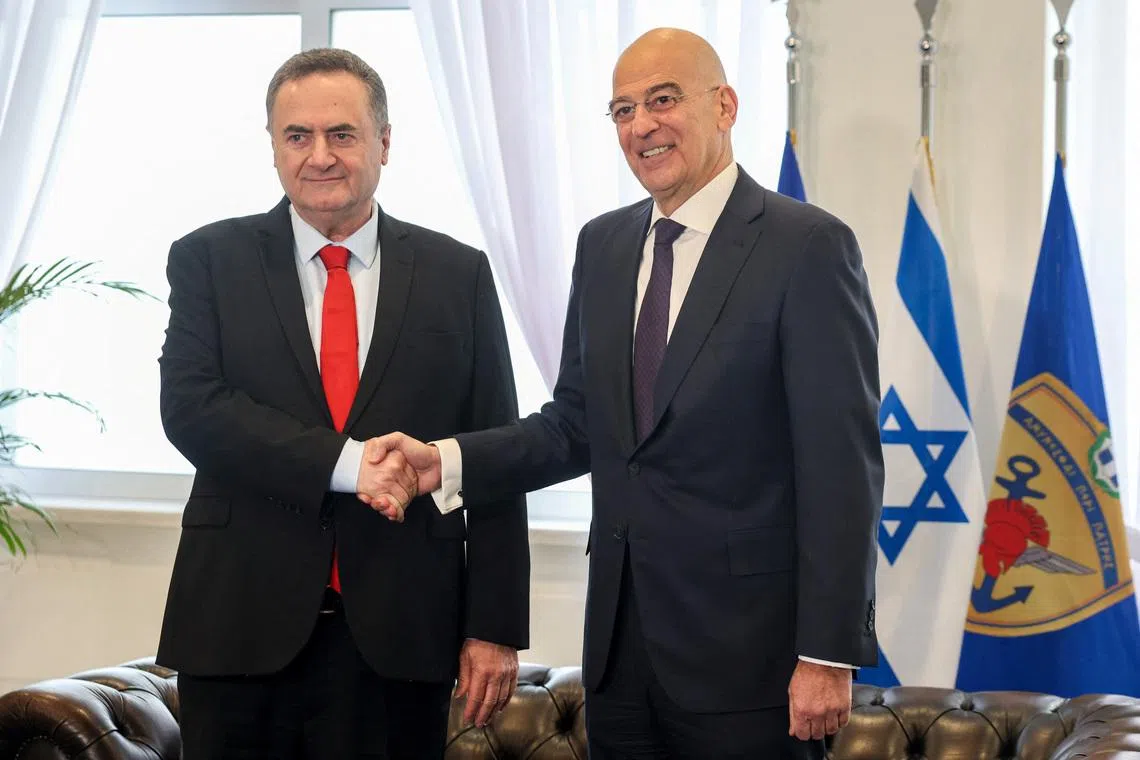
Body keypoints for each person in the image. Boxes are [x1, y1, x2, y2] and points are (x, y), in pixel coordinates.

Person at [365, 28, 883, 759]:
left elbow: (842, 466)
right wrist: (442, 464)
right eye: (622, 109)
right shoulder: (602, 246)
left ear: (725, 105)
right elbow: (576, 424)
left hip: (752, 662)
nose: (642, 125)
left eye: (663, 100)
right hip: (620, 656)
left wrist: (828, 653)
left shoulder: (806, 247)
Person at [155, 48, 530, 759]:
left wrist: (495, 624)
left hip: (402, 634)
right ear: (273, 148)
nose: (319, 155)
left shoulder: (458, 275)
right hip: (238, 627)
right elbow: (193, 409)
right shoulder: (208, 260)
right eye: (297, 136)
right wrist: (349, 464)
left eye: (343, 134)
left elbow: (497, 457)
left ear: (384, 142)